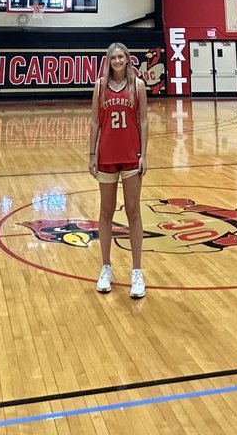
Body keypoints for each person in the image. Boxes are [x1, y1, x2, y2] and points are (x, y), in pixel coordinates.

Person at [88, 41, 148, 298]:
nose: (118, 61)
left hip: (131, 156)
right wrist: (91, 153)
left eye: (121, 57)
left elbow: (143, 121)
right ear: (108, 61)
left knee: (133, 211)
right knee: (106, 211)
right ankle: (106, 267)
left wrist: (144, 154)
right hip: (107, 156)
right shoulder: (100, 87)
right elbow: (94, 122)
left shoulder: (138, 86)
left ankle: (137, 272)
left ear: (128, 59)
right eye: (114, 58)